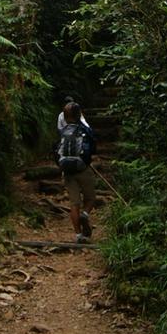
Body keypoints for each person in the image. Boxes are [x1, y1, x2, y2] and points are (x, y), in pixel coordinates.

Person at [55, 102, 96, 243]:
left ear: (65, 117)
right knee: (90, 198)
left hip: (67, 171)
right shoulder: (84, 129)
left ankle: (78, 235)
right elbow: (93, 145)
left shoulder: (62, 132)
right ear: (79, 115)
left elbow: (56, 151)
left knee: (74, 203)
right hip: (83, 169)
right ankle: (85, 214)